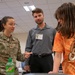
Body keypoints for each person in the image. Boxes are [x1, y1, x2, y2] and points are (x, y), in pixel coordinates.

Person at [25, 8, 56, 73]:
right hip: (34, 59)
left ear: (43, 15)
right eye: (35, 16)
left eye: (39, 15)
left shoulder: (52, 30)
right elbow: (28, 48)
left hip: (47, 59)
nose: (38, 18)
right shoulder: (31, 31)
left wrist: (56, 64)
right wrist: (26, 63)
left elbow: (56, 48)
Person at [48, 2, 75, 75]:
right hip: (69, 71)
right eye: (58, 18)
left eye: (60, 18)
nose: (58, 21)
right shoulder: (60, 34)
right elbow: (58, 55)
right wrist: (54, 72)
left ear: (69, 17)